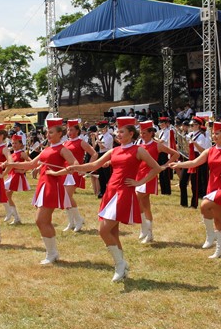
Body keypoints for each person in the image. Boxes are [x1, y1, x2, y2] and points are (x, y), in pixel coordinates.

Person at [68, 117, 162, 282]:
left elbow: (156, 168)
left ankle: (120, 264)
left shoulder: (139, 150)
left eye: (121, 131)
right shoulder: (115, 150)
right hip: (110, 191)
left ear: (131, 134)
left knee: (104, 230)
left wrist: (140, 182)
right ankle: (121, 266)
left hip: (124, 192)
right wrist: (76, 167)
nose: (118, 134)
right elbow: (94, 165)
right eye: (118, 131)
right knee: (112, 232)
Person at [169, 122, 221, 257]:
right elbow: (194, 162)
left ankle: (210, 236)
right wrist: (179, 164)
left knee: (204, 205)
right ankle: (220, 249)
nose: (214, 136)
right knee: (218, 219)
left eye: (217, 133)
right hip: (212, 185)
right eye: (213, 133)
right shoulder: (210, 151)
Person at [7, 118, 78, 264]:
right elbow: (31, 164)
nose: (48, 135)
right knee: (44, 221)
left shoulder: (62, 149)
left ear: (60, 133)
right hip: (43, 185)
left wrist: (57, 173)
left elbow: (74, 165)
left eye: (51, 132)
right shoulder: (46, 149)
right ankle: (52, 253)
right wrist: (11, 164)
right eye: (47, 132)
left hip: (52, 186)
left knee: (41, 220)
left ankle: (52, 253)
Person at [135, 120, 179, 243]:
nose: (142, 135)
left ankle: (145, 228)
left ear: (151, 133)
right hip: (139, 176)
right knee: (145, 205)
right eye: (141, 133)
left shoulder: (157, 145)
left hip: (150, 176)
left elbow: (175, 154)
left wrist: (165, 165)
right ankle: (148, 232)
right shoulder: (139, 145)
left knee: (136, 198)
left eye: (144, 133)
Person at [62, 119, 99, 232]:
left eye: (72, 130)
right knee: (64, 197)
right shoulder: (65, 143)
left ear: (77, 131)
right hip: (65, 172)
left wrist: (86, 168)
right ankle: (71, 222)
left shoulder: (81, 142)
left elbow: (94, 154)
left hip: (75, 172)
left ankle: (78, 220)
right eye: (68, 130)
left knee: (67, 197)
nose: (69, 132)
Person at [180, 116, 210, 208]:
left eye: (193, 125)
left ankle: (194, 204)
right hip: (188, 156)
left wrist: (194, 143)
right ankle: (183, 203)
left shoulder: (201, 136)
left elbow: (202, 150)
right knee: (182, 181)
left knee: (194, 183)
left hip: (196, 157)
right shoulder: (190, 134)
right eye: (191, 125)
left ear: (198, 126)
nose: (191, 127)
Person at [3, 134, 31, 225]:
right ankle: (15, 217)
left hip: (16, 177)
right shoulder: (12, 154)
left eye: (16, 143)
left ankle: (13, 215)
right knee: (6, 195)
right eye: (12, 143)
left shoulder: (22, 153)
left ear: (20, 144)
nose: (14, 145)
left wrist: (23, 170)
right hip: (11, 175)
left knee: (6, 194)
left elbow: (31, 162)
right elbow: (6, 163)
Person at [156, 117, 175, 195]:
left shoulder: (167, 131)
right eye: (160, 123)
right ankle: (163, 190)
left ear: (166, 124)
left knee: (165, 172)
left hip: (165, 152)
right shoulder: (161, 132)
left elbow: (161, 141)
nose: (160, 125)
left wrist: (153, 139)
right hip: (160, 152)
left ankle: (167, 190)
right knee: (161, 171)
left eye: (162, 123)